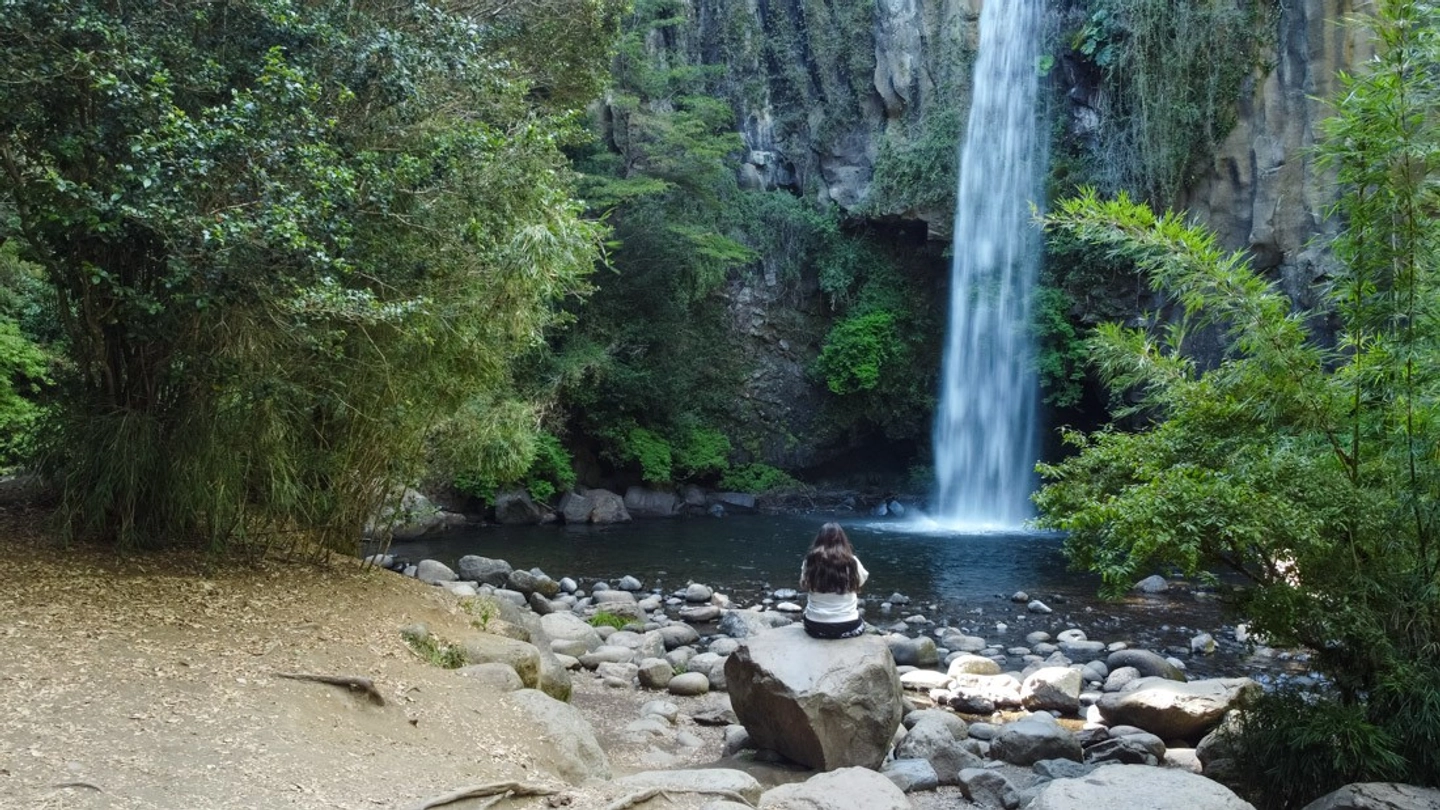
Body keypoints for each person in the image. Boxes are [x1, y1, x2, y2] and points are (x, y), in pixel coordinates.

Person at [799, 522, 869, 639]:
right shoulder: (852, 561)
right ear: (843, 540)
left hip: (815, 626)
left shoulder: (810, 561)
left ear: (819, 540)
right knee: (862, 624)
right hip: (848, 625)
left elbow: (805, 582)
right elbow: (861, 580)